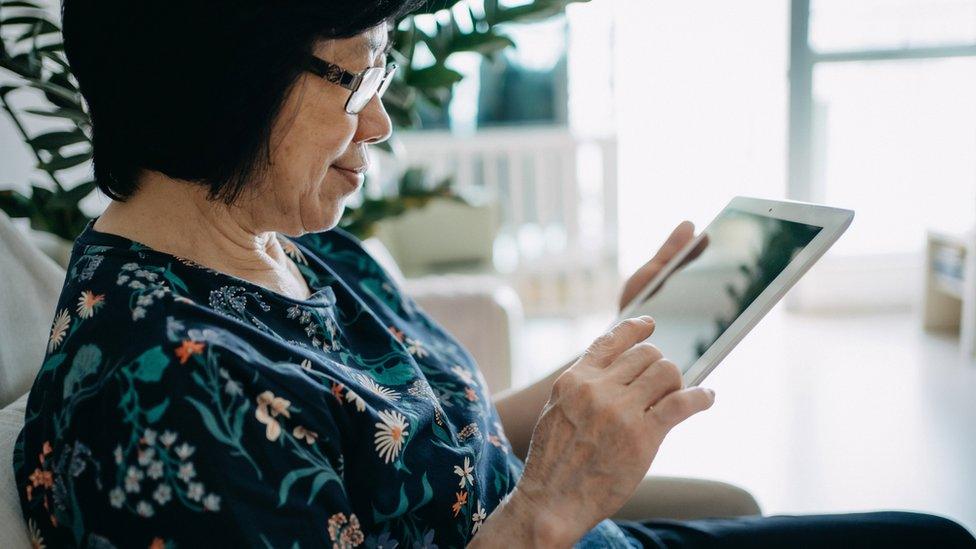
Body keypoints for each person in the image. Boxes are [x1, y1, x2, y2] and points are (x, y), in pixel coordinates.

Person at [13, 0, 976, 547]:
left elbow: (430, 435)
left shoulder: (299, 247)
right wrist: (550, 507)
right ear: (222, 83)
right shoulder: (161, 394)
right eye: (357, 77)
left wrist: (619, 355)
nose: (380, 121)